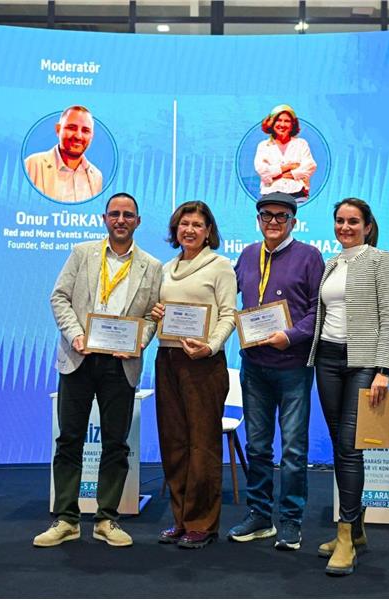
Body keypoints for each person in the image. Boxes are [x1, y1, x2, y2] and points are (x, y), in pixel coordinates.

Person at [34, 192, 162, 548]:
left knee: (116, 444)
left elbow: (152, 315)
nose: (121, 220)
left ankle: (107, 519)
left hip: (121, 363)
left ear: (138, 222)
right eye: (115, 214)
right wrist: (75, 335)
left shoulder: (152, 266)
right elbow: (59, 297)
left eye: (128, 215)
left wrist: (138, 342)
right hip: (79, 358)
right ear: (104, 219)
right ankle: (66, 520)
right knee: (69, 440)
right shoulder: (82, 253)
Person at [307, 198, 389, 576]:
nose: (345, 227)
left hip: (363, 364)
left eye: (353, 221)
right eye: (340, 221)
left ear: (367, 226)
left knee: (349, 447)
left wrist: (383, 370)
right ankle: (356, 528)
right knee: (339, 446)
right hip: (327, 360)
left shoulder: (379, 260)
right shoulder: (332, 262)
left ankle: (345, 534)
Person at [226, 192, 324, 550]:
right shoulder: (247, 255)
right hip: (254, 367)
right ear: (258, 220)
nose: (273, 221)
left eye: (281, 216)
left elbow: (318, 311)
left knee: (293, 451)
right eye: (266, 215)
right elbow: (224, 298)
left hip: (293, 367)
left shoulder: (310, 256)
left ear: (293, 222)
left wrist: (291, 336)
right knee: (257, 447)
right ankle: (259, 515)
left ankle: (291, 521)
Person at [152, 201, 237, 549]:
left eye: (197, 225)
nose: (190, 230)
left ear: (208, 231)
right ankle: (181, 519)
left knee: (202, 444)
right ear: (176, 229)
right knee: (173, 443)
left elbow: (229, 315)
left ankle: (202, 523)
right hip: (167, 359)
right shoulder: (165, 269)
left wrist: (211, 346)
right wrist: (157, 313)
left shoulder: (220, 266)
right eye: (184, 223)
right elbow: (157, 313)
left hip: (203, 363)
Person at [25, 105, 104, 203]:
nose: (78, 136)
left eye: (85, 131)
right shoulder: (32, 165)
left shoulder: (96, 176)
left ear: (92, 136)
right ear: (58, 129)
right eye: (72, 128)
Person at [254, 104, 317, 202]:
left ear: (292, 125)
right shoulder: (263, 146)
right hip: (270, 195)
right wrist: (289, 166)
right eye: (278, 120)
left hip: (298, 195)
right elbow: (263, 172)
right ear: (271, 123)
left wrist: (280, 175)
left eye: (287, 121)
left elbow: (310, 166)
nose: (282, 125)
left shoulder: (301, 144)